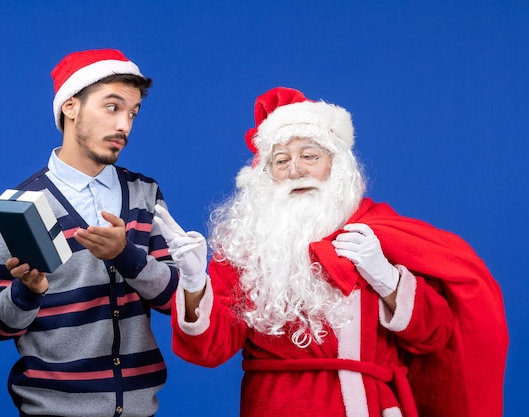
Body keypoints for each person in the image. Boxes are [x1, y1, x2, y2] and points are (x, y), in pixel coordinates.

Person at [154, 87, 508, 417]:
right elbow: (209, 350)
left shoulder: (379, 233)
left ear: (336, 166)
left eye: (309, 156)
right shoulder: (247, 245)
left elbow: (436, 334)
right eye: (280, 160)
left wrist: (388, 281)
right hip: (275, 404)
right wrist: (194, 280)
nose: (295, 169)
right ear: (266, 175)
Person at [0, 49, 179, 417]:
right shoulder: (23, 205)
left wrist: (127, 257)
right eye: (113, 107)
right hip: (51, 409)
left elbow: (176, 300)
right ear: (71, 107)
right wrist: (26, 292)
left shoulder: (144, 193)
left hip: (140, 409)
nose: (125, 126)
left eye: (133, 113)